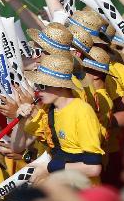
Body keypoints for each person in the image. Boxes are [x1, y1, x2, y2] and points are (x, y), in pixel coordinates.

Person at [17, 53, 104, 181]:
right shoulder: (50, 109)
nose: (38, 92)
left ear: (60, 86)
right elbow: (18, 146)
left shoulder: (82, 111)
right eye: (37, 86)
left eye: (42, 86)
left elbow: (93, 168)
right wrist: (22, 118)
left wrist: (50, 168)